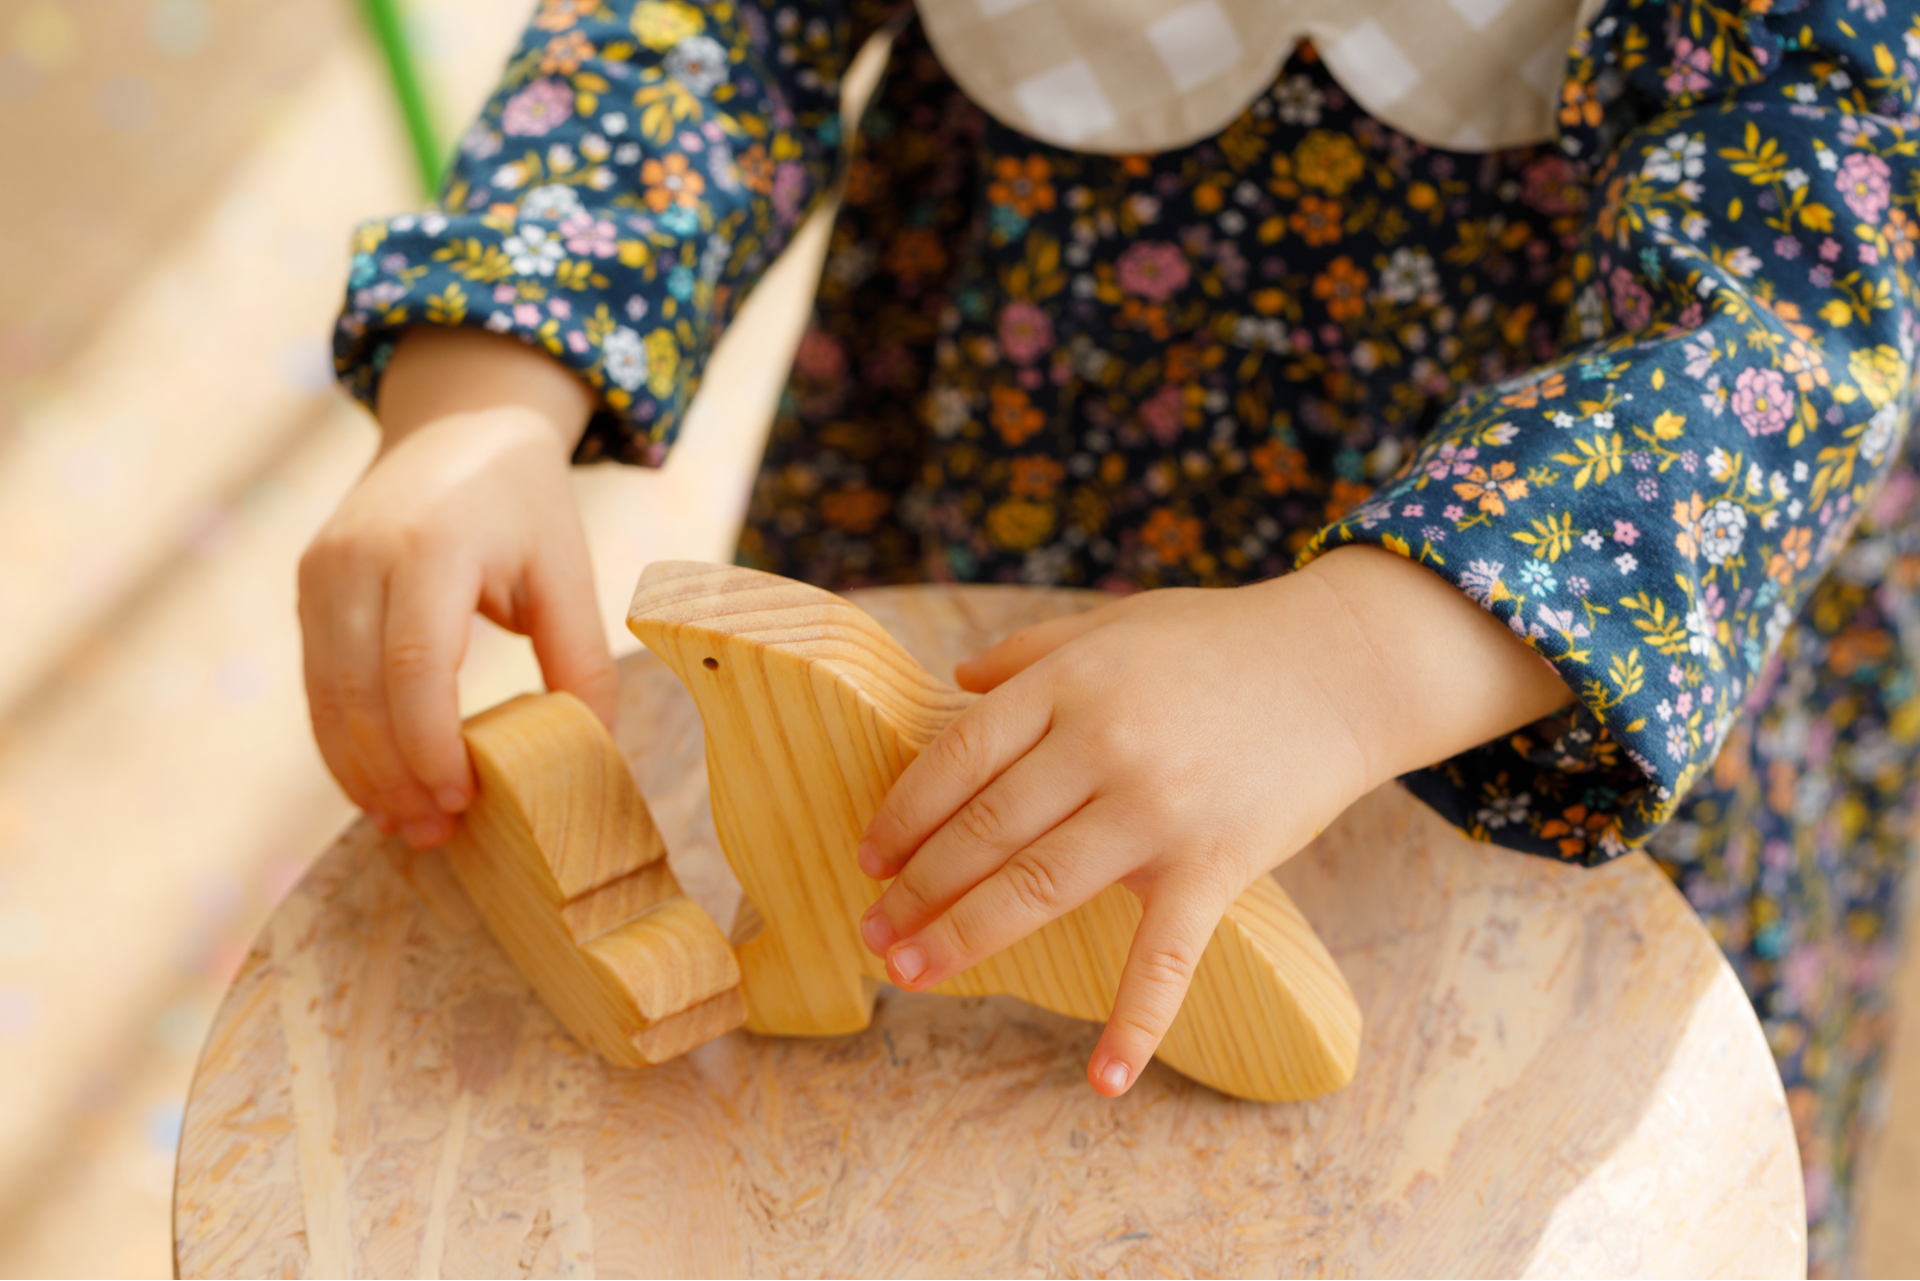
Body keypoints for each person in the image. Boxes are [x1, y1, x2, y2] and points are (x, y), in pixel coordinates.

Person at [304, 0, 1919, 1269]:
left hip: (1550, 607)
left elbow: (1796, 311)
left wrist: (1349, 664)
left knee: (1495, 1168)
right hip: (1013, 433)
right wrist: (485, 385)